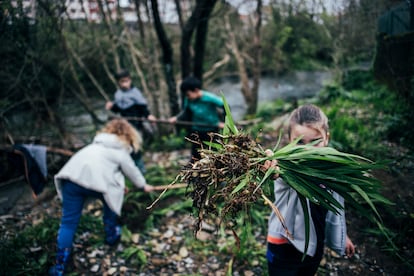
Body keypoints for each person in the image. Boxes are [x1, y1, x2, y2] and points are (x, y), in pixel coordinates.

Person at [49, 118, 154, 276]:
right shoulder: (120, 150)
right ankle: (112, 236)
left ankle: (60, 265)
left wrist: (119, 185)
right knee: (111, 206)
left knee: (68, 223)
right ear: (129, 136)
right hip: (97, 184)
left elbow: (105, 170)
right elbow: (132, 171)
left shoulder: (93, 146)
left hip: (71, 181)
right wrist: (143, 186)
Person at [264, 104, 355, 276]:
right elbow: (276, 171)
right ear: (289, 141)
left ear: (326, 138)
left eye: (315, 142)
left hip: (315, 245)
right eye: (299, 142)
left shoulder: (334, 168)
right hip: (283, 245)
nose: (307, 149)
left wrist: (343, 235)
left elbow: (335, 209)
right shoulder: (286, 168)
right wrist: (269, 163)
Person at [105, 69, 156, 173]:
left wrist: (148, 116)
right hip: (124, 124)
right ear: (118, 82)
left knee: (135, 145)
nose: (125, 84)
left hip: (135, 123)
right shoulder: (118, 94)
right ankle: (129, 168)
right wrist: (112, 106)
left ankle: (141, 169)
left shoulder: (135, 93)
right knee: (125, 145)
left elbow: (142, 107)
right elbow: (118, 108)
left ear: (130, 80)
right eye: (122, 82)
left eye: (127, 81)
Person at [168, 76, 225, 162]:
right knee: (196, 155)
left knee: (216, 153)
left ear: (196, 90)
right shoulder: (189, 100)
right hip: (197, 130)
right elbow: (186, 111)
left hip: (211, 130)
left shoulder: (209, 98)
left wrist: (223, 123)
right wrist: (176, 118)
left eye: (188, 94)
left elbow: (225, 106)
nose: (187, 97)